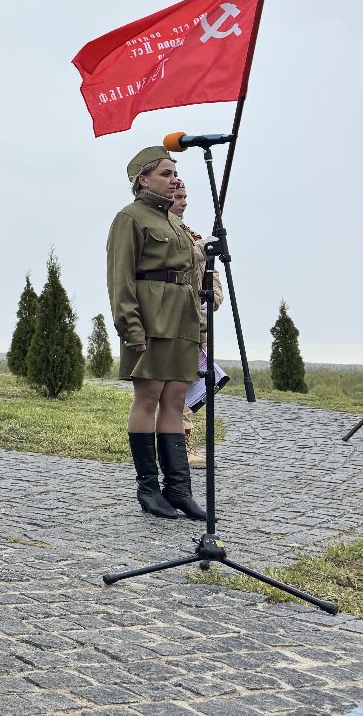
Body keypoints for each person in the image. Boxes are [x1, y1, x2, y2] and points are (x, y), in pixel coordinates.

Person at [106, 146, 205, 521]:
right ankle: (148, 488)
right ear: (142, 180)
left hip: (183, 317)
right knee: (149, 397)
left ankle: (178, 488)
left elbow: (191, 275)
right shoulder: (129, 218)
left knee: (176, 399)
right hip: (149, 317)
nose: (174, 179)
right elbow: (120, 277)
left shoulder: (177, 223)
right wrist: (130, 326)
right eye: (165, 173)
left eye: (175, 173)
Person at [169, 178, 225, 465]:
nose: (184, 201)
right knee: (174, 390)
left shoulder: (192, 234)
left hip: (195, 320)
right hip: (171, 320)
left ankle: (184, 447)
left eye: (185, 196)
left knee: (189, 385)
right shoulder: (167, 234)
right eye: (178, 196)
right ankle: (179, 450)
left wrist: (212, 295)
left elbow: (209, 273)